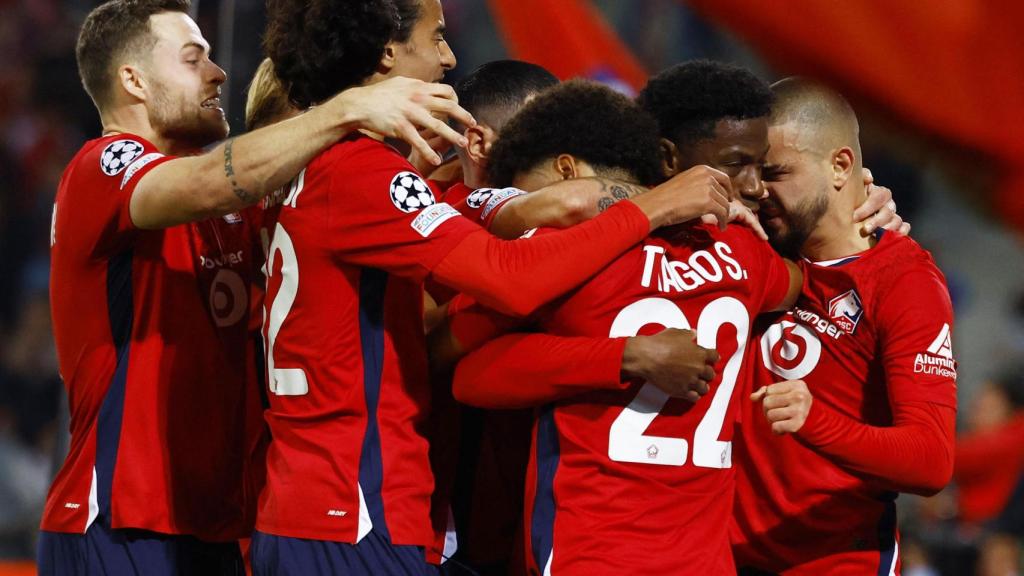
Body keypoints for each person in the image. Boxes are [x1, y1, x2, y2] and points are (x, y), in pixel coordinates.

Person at [253, 1, 734, 574]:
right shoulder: (362, 173)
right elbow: (510, 281)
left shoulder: (340, 170)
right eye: (436, 37)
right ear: (387, 51)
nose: (450, 57)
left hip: (337, 501)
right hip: (349, 506)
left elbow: (451, 316)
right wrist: (658, 205)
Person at [39, 0, 476, 573]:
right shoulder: (104, 166)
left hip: (218, 521)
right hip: (118, 520)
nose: (219, 74)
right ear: (133, 81)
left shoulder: (231, 215)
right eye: (194, 60)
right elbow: (205, 184)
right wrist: (345, 110)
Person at [444, 79, 802, 575]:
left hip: (589, 551)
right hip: (704, 561)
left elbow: (467, 373)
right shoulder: (746, 252)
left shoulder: (568, 258)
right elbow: (799, 280)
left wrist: (620, 355)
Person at [731, 78, 957, 575]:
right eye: (751, 174)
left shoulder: (905, 282)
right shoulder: (753, 246)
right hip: (720, 560)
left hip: (835, 563)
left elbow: (932, 459)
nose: (757, 190)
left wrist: (816, 423)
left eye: (776, 173)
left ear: (840, 166)